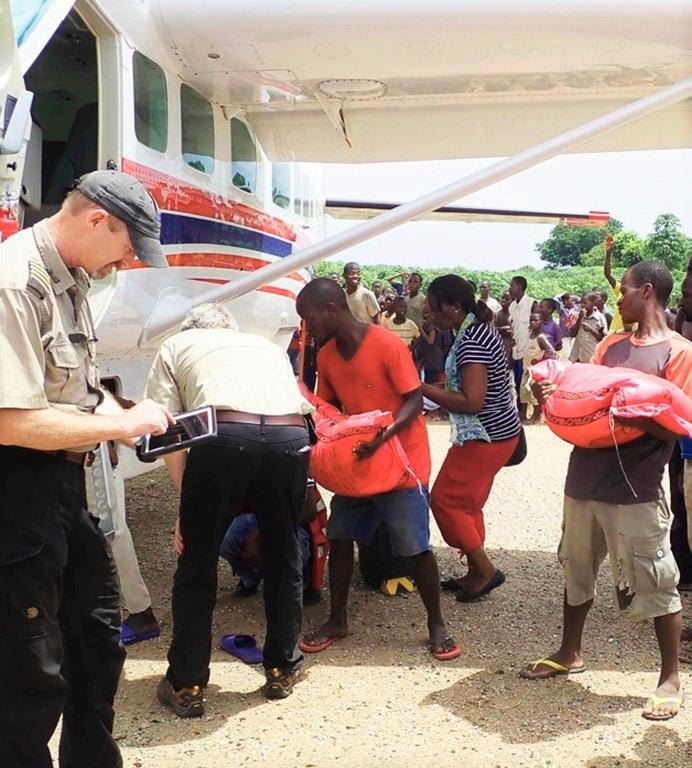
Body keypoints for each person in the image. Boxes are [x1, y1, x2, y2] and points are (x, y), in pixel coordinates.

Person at [0, 169, 174, 767]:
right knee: (29, 664)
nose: (125, 263)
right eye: (127, 248)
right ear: (97, 220)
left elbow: (73, 391)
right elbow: (9, 421)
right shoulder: (15, 282)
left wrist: (127, 411)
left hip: (62, 487)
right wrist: (118, 426)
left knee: (97, 636)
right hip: (16, 487)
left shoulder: (69, 278)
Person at [521, 261, 692, 723]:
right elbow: (580, 393)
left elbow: (674, 420)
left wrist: (620, 411)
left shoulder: (679, 353)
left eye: (626, 290)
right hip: (584, 478)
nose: (619, 298)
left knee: (656, 580)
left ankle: (669, 678)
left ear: (649, 292)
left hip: (636, 487)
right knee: (576, 566)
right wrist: (553, 395)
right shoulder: (612, 345)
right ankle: (569, 651)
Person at [145, 303, 315, 712]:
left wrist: (189, 509)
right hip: (289, 437)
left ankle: (187, 685)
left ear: (193, 328)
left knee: (197, 563)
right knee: (284, 555)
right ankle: (281, 669)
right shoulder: (263, 346)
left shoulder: (176, 344)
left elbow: (166, 431)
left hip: (223, 435)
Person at [295, 278, 459, 661]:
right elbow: (329, 408)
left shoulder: (386, 343)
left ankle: (436, 623)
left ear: (332, 311)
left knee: (413, 545)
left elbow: (414, 399)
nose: (307, 327)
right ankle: (337, 619)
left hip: (402, 461)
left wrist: (382, 437)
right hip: (360, 461)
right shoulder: (329, 355)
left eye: (310, 318)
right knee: (339, 536)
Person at [421, 276, 521, 601]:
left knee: (446, 501)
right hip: (499, 433)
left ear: (454, 307)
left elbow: (472, 401)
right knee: (469, 503)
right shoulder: (476, 329)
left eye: (434, 308)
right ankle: (475, 571)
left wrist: (420, 388)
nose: (429, 314)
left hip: (485, 434)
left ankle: (485, 569)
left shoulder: (472, 340)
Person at [220, 480, 320, 606]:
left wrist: (261, 533)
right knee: (225, 539)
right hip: (256, 518)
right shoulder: (245, 464)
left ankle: (300, 584)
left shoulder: (296, 462)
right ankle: (250, 578)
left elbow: (308, 512)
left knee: (297, 547)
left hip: (291, 523)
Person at [508, 275, 538, 419]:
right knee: (518, 381)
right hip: (516, 350)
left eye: (512, 285)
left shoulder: (531, 303)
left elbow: (538, 324)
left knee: (527, 381)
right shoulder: (512, 306)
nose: (510, 288)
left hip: (528, 351)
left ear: (519, 287)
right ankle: (520, 411)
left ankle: (530, 411)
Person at [521, 312, 557, 424]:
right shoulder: (529, 335)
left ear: (541, 322)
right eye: (531, 320)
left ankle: (536, 416)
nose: (533, 322)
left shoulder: (541, 337)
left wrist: (540, 361)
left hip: (535, 371)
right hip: (526, 369)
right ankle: (523, 414)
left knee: (533, 394)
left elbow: (552, 353)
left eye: (536, 320)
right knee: (524, 392)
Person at [569, 291, 607, 362]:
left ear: (593, 303)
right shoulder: (578, 316)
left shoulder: (600, 318)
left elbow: (602, 339)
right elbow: (573, 334)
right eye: (581, 303)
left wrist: (591, 329)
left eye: (585, 303)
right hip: (576, 355)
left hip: (590, 356)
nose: (582, 305)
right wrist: (579, 319)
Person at [603, 233, 625, 332]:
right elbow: (607, 274)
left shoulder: (639, 296)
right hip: (613, 333)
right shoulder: (621, 290)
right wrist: (608, 254)